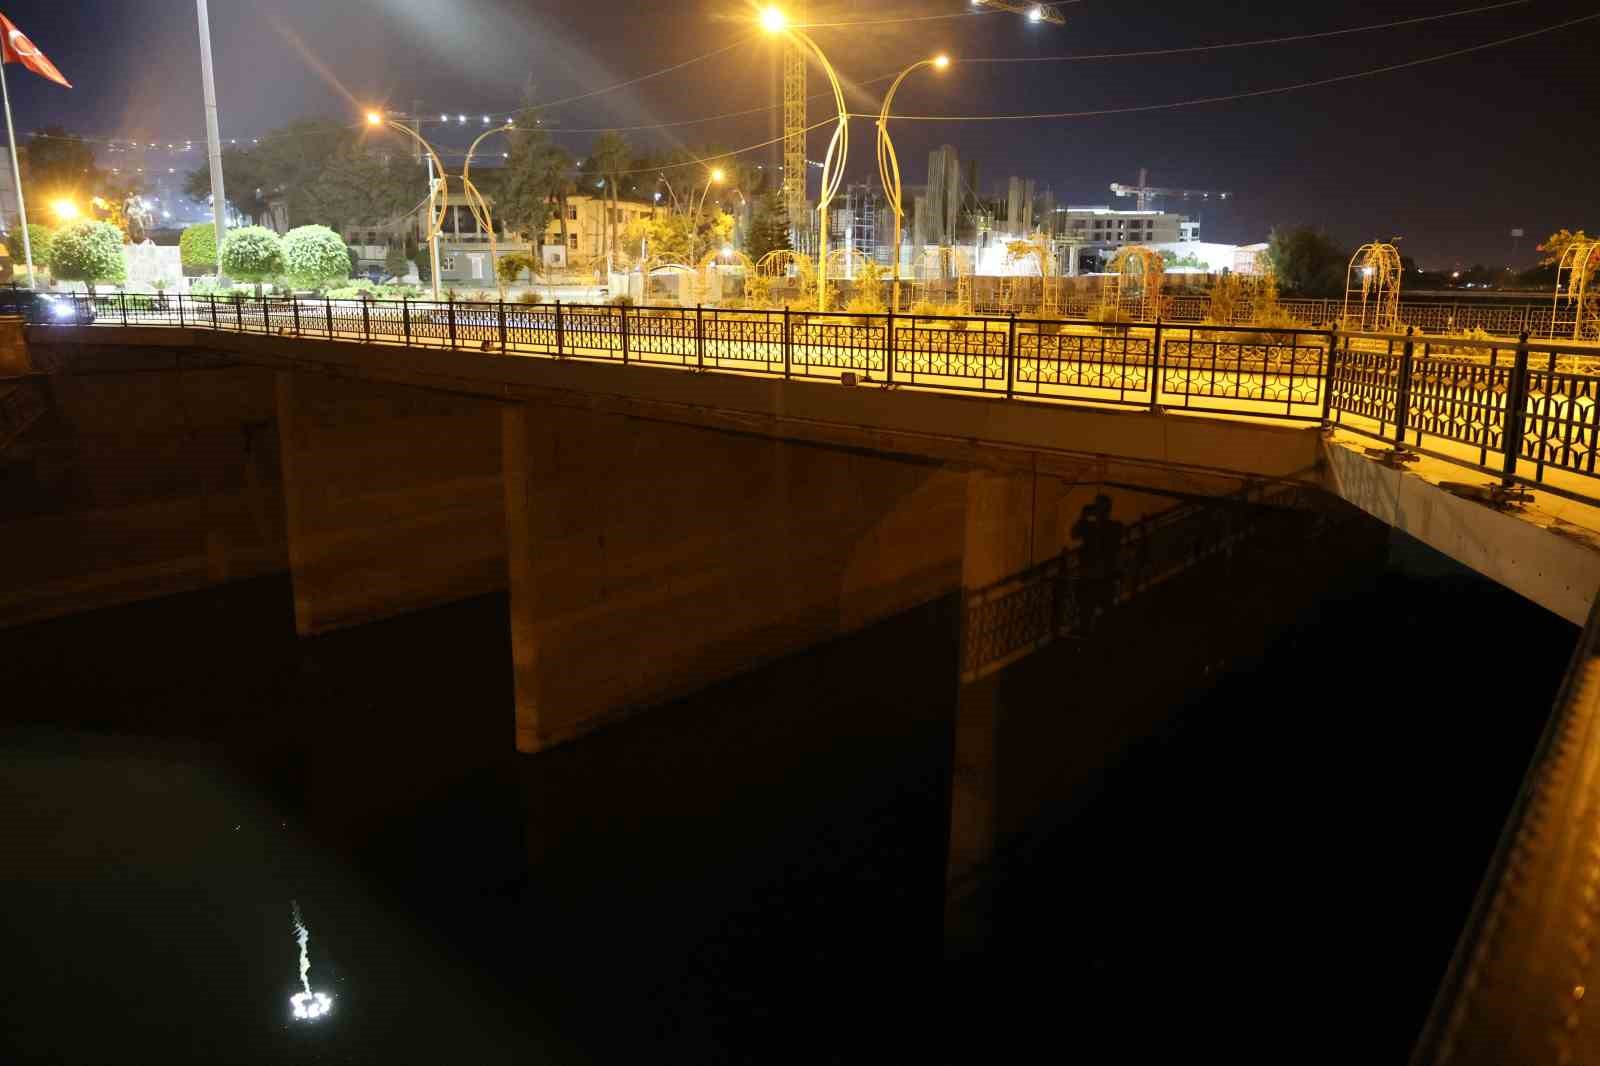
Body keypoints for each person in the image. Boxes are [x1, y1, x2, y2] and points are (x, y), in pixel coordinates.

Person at [1070, 494, 1125, 632]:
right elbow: (1074, 534)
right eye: (1098, 507)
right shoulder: (1089, 527)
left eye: (1102, 507)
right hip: (1089, 575)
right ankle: (1087, 632)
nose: (1099, 511)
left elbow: (1117, 544)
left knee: (1105, 611)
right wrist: (1083, 516)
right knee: (1086, 611)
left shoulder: (1114, 526)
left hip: (1105, 576)